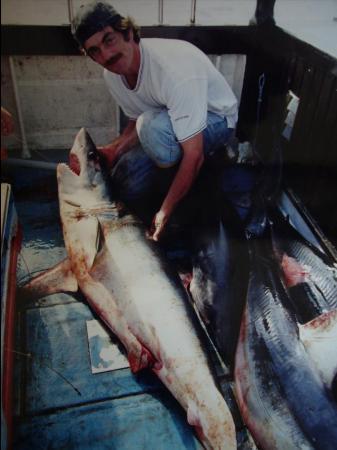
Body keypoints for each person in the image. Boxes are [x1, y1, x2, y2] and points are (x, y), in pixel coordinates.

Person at [72, 1, 238, 240]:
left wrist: (164, 212)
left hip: (217, 119)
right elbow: (134, 118)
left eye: (109, 40)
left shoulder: (173, 71)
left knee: (152, 129)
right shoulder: (112, 75)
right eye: (94, 51)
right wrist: (113, 150)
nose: (106, 55)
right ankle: (174, 175)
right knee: (124, 182)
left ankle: (200, 180)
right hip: (165, 124)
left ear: (128, 33)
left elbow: (193, 154)